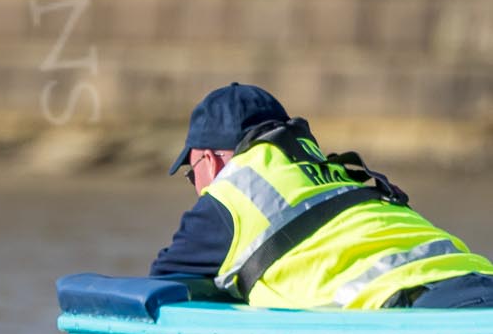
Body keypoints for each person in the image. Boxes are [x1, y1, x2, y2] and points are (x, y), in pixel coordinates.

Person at [152, 82, 493, 309]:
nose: (196, 187)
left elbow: (160, 288)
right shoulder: (341, 172)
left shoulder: (230, 194)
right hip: (476, 279)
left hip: (414, 310)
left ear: (208, 161)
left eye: (191, 174)